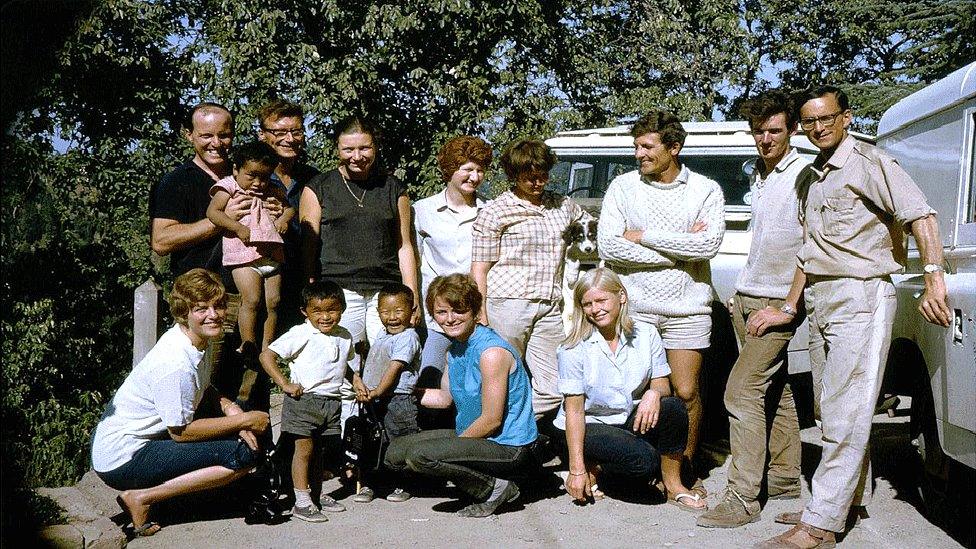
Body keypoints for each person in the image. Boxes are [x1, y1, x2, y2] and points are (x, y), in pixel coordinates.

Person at [755, 86, 951, 548]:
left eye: (827, 118)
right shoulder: (811, 176)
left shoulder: (871, 163)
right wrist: (790, 306)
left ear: (845, 117)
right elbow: (810, 251)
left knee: (847, 410)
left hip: (861, 294)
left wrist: (934, 279)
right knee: (830, 409)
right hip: (824, 297)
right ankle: (846, 499)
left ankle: (822, 523)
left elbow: (921, 217)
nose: (818, 127)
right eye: (809, 121)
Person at [597, 109, 725, 489]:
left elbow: (709, 244)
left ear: (674, 148)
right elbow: (609, 245)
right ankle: (637, 465)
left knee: (685, 392)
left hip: (688, 308)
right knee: (639, 390)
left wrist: (645, 235)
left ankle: (682, 466)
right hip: (636, 307)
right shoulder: (623, 187)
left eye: (647, 146)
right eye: (636, 146)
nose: (639, 154)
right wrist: (679, 248)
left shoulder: (705, 190)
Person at [90, 269, 270, 537]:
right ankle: (142, 497)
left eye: (218, 306)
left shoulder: (196, 338)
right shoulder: (175, 363)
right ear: (183, 313)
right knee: (243, 454)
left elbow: (203, 385)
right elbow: (181, 432)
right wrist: (243, 420)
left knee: (241, 432)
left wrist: (230, 407)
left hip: (128, 441)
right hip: (122, 457)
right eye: (201, 309)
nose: (214, 314)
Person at [697, 90, 806, 529]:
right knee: (774, 391)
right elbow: (767, 242)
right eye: (758, 131)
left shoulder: (804, 173)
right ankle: (783, 478)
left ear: (792, 130)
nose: (765, 139)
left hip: (776, 304)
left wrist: (787, 304)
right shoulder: (761, 175)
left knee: (739, 393)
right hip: (748, 297)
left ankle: (743, 498)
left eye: (774, 131)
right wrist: (742, 291)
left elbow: (813, 248)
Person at [385, 274, 538, 518]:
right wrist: (398, 393)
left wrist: (452, 449)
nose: (450, 319)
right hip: (476, 436)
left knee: (420, 456)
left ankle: (497, 488)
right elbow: (445, 398)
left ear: (475, 310)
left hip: (507, 445)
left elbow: (491, 420)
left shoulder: (491, 352)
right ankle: (475, 480)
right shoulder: (454, 348)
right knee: (395, 453)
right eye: (442, 312)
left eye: (459, 310)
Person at [556, 267, 705, 512]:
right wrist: (576, 470)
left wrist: (654, 393)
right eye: (587, 304)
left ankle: (673, 484)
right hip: (591, 424)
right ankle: (596, 467)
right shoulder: (572, 348)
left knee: (674, 407)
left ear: (621, 297)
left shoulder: (646, 334)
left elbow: (661, 383)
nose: (596, 309)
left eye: (602, 300)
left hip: (629, 417)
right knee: (644, 462)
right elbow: (574, 412)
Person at [470, 138, 588, 421]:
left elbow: (591, 227)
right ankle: (490, 436)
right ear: (513, 176)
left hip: (550, 305)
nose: (537, 183)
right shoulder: (496, 211)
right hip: (508, 305)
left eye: (542, 175)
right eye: (529, 177)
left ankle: (512, 428)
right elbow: (479, 268)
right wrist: (480, 310)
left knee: (554, 387)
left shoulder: (564, 205)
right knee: (503, 378)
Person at [300, 115, 420, 355]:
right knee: (342, 359)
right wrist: (309, 287)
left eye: (364, 148)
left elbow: (404, 246)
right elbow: (309, 244)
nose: (357, 156)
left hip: (386, 291)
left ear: (375, 147)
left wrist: (411, 293)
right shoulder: (319, 187)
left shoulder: (393, 188)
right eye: (348, 149)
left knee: (387, 357)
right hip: (339, 289)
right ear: (337, 149)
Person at [258, 280, 360, 523]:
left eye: (332, 310)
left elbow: (342, 364)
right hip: (303, 401)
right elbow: (267, 356)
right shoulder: (301, 333)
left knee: (320, 452)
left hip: (332, 402)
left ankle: (315, 494)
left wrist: (355, 380)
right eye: (318, 311)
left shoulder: (344, 336)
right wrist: (284, 384)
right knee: (304, 451)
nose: (325, 317)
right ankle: (301, 501)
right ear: (305, 312)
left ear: (342, 309)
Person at [207, 141, 294, 364]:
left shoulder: (271, 190)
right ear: (236, 169)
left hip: (271, 253)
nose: (257, 183)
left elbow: (290, 207)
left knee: (273, 301)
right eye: (251, 176)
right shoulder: (229, 187)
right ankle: (248, 343)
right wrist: (236, 227)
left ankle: (268, 346)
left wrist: (284, 218)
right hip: (243, 255)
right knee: (252, 299)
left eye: (264, 177)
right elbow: (213, 213)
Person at [413, 135, 491, 382]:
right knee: (430, 376)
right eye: (467, 169)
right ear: (449, 170)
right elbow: (414, 260)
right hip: (437, 315)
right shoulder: (423, 210)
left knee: (473, 379)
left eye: (480, 170)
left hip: (475, 314)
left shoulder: (490, 211)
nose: (474, 177)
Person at [354, 283, 422, 503]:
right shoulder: (382, 336)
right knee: (373, 443)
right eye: (385, 312)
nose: (392, 317)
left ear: (412, 311)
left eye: (399, 311)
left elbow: (394, 368)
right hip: (374, 399)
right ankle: (370, 484)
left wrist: (377, 392)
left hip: (397, 400)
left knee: (399, 442)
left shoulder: (408, 337)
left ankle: (403, 484)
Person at [257, 99, 320, 333]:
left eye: (296, 131)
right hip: (259, 285)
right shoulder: (250, 177)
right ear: (263, 135)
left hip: (300, 284)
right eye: (280, 132)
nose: (290, 139)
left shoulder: (313, 178)